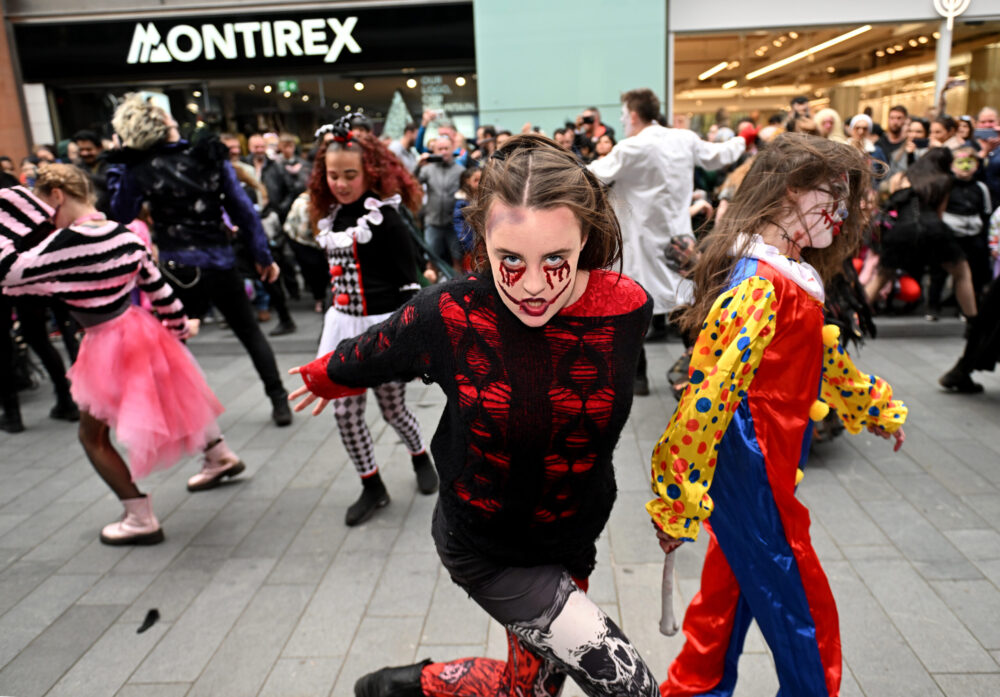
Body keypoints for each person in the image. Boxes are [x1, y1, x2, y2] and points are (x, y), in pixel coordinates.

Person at [289, 134, 660, 697]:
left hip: (572, 539)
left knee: (531, 690)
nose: (533, 285)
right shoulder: (451, 313)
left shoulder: (626, 306)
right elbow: (375, 349)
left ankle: (413, 685)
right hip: (488, 546)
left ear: (585, 239)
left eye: (555, 259)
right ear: (482, 242)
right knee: (631, 687)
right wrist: (323, 376)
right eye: (510, 259)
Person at [649, 133, 907, 697]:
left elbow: (825, 358)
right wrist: (674, 499)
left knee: (729, 590)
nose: (840, 217)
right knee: (803, 608)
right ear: (790, 191)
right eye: (831, 199)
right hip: (753, 464)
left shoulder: (786, 274)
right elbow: (708, 394)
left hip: (761, 462)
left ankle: (693, 688)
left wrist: (876, 407)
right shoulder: (762, 284)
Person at [0, 168, 245, 544]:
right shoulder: (125, 233)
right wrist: (178, 331)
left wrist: (11, 216)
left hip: (103, 343)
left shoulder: (61, 244)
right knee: (178, 395)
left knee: (92, 437)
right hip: (141, 329)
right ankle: (219, 455)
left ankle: (138, 516)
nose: (42, 212)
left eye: (42, 202)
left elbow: (7, 273)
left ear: (57, 195)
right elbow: (160, 289)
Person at [106, 94, 293, 426]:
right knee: (249, 332)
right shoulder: (208, 156)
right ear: (165, 126)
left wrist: (121, 161)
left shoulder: (139, 168)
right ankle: (279, 401)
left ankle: (187, 412)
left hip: (177, 269)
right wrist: (262, 256)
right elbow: (244, 212)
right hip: (219, 262)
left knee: (174, 341)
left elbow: (121, 212)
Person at [306, 117, 437, 526]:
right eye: (333, 175)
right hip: (342, 326)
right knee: (344, 414)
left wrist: (412, 344)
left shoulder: (385, 218)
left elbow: (407, 282)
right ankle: (372, 485)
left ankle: (420, 458)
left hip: (379, 328)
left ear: (371, 173)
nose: (341, 184)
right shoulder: (331, 216)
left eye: (350, 175)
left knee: (393, 409)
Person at [589, 87, 745, 394]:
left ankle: (637, 379)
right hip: (678, 240)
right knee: (685, 301)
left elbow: (589, 175)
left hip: (639, 244)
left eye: (623, 115)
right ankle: (697, 368)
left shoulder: (630, 149)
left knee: (633, 306)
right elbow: (719, 156)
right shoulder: (683, 139)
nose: (622, 121)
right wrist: (743, 139)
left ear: (633, 115)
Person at [866, 148, 978, 321]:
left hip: (902, 229)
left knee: (882, 275)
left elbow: (888, 205)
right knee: (962, 272)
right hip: (933, 227)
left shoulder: (900, 177)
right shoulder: (944, 180)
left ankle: (856, 318)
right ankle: (973, 322)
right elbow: (940, 213)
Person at [418, 134, 465, 268]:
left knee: (457, 259)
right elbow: (413, 183)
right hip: (432, 222)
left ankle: (459, 287)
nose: (444, 152)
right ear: (434, 151)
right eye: (440, 149)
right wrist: (418, 166)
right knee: (431, 260)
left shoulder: (460, 171)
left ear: (452, 149)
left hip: (453, 224)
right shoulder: (427, 169)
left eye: (446, 148)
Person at [72, 129, 111, 213]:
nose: (85, 153)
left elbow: (109, 182)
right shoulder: (79, 166)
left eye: (88, 149)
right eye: (81, 150)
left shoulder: (111, 162)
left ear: (100, 148)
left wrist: (84, 175)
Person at [452, 165, 481, 268]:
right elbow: (458, 221)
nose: (479, 183)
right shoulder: (462, 200)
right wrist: (466, 241)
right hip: (469, 241)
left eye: (481, 180)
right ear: (467, 181)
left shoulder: (483, 196)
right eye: (476, 180)